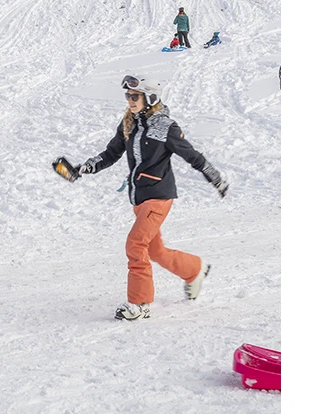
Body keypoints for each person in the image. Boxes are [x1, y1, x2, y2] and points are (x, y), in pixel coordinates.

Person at [72, 75, 228, 320]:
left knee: (135, 244)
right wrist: (83, 168)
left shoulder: (166, 127)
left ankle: (140, 303)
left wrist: (214, 176)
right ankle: (195, 269)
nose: (130, 101)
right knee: (155, 251)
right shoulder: (130, 123)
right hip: (140, 198)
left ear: (150, 97)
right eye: (128, 96)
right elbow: (111, 153)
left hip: (159, 196)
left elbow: (192, 156)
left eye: (135, 96)